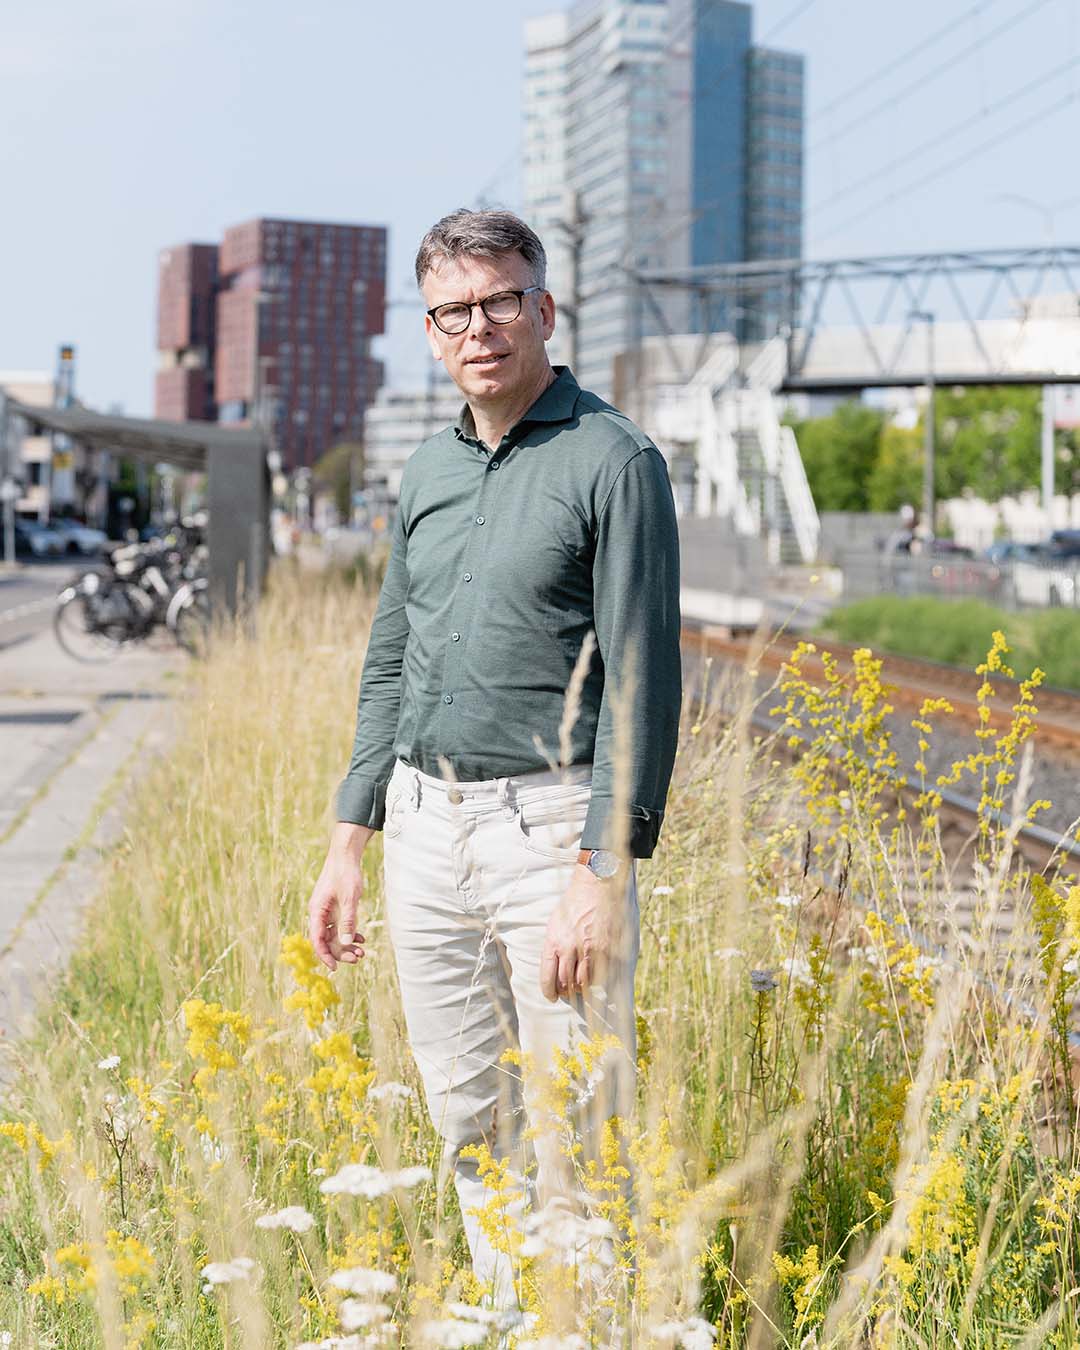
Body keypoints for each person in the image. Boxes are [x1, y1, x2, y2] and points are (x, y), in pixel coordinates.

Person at [306, 208, 681, 1299]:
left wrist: (599, 874)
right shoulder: (424, 472)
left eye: (500, 300)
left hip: (551, 834)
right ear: (430, 332)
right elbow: (390, 662)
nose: (480, 327)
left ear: (544, 310)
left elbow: (642, 686)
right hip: (424, 832)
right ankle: (517, 1317)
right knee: (471, 1118)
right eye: (454, 310)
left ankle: (587, 1324)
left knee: (576, 1122)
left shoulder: (616, 462)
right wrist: (348, 845)